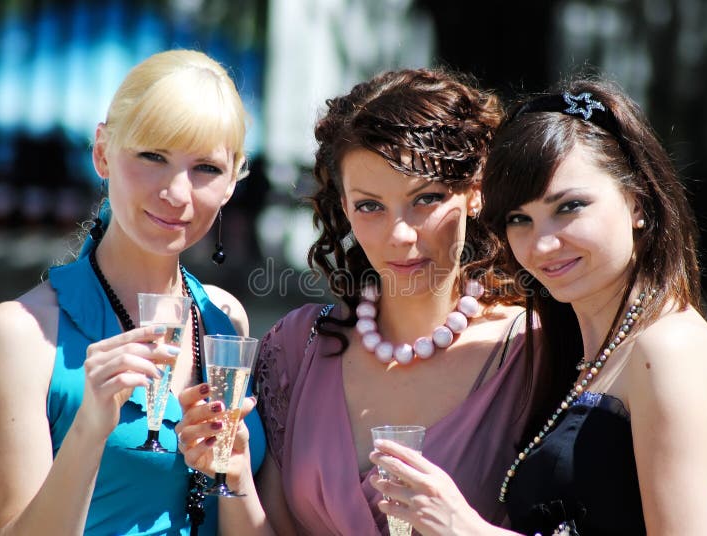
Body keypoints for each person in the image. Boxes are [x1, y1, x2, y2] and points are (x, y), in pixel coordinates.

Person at [366, 75, 707, 535]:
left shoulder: (666, 348)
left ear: (638, 202)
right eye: (519, 219)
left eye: (569, 207)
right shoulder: (581, 351)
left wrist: (466, 529)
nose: (542, 244)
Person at [176, 67, 535, 535]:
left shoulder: (534, 352)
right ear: (344, 206)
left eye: (425, 198)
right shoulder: (295, 348)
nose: (400, 235)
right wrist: (235, 470)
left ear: (475, 192)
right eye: (370, 206)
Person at [0, 49, 266, 535]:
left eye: (205, 167)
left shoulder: (226, 319)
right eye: (152, 156)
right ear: (102, 151)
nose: (177, 193)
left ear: (232, 180)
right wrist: (88, 430)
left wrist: (233, 475)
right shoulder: (21, 334)